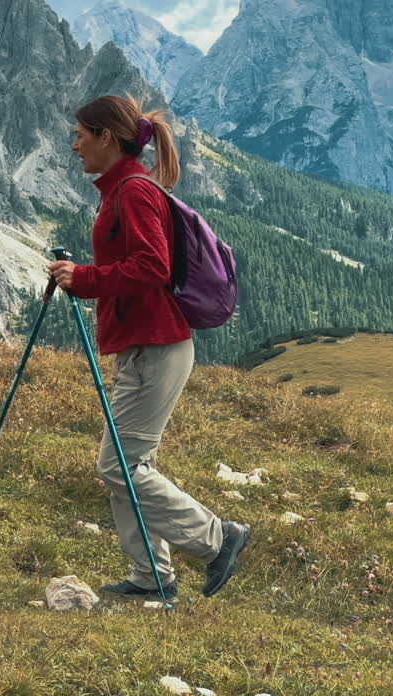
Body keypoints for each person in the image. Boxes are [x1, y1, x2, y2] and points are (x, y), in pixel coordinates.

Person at [47, 95, 250, 601]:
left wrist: (86, 277)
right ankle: (151, 577)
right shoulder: (121, 189)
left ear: (105, 138)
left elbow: (153, 267)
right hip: (145, 345)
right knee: (129, 464)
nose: (74, 145)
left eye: (80, 135)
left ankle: (217, 537)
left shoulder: (134, 192)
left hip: (157, 347)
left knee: (120, 466)